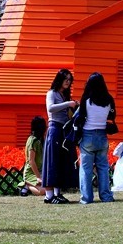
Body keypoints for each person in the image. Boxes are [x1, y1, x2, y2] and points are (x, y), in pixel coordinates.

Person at [74, 72, 116, 204]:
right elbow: (112, 117)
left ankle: (86, 198)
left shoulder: (86, 99)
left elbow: (81, 117)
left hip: (88, 135)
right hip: (102, 135)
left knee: (86, 169)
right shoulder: (109, 99)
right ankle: (106, 196)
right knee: (103, 167)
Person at [41, 69, 78, 204]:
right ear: (60, 79)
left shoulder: (64, 95)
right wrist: (68, 104)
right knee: (52, 161)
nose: (68, 82)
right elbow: (50, 108)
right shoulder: (52, 93)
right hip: (55, 128)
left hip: (63, 130)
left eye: (70, 80)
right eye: (66, 79)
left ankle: (57, 193)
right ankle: (49, 195)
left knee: (60, 161)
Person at [19, 116, 46, 196]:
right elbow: (31, 161)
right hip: (31, 173)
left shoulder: (40, 140)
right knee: (43, 191)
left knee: (50, 188)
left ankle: (29, 185)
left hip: (40, 171)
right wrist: (38, 177)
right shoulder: (32, 140)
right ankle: (27, 185)